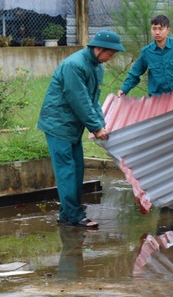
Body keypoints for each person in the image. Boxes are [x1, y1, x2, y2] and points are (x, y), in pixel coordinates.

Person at [38, 30, 125, 229]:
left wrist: (101, 124)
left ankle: (67, 214)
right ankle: (74, 216)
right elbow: (78, 99)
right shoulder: (74, 65)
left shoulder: (96, 66)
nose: (111, 58)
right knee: (67, 171)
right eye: (110, 53)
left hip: (72, 125)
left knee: (77, 168)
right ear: (99, 48)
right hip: (58, 123)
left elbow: (92, 100)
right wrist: (95, 127)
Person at [118, 15, 173, 97]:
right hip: (157, 98)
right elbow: (135, 73)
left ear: (168, 30)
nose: (157, 32)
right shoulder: (146, 52)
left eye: (160, 29)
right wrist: (124, 89)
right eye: (154, 29)